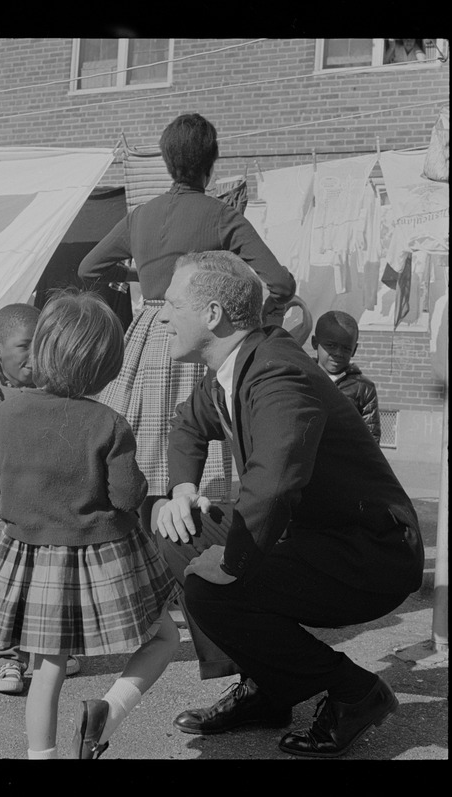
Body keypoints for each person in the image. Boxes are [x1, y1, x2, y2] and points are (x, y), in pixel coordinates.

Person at [155, 251, 424, 759]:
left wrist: (230, 563)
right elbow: (187, 424)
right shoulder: (236, 369)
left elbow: (273, 486)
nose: (162, 316)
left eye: (171, 304)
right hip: (317, 538)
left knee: (209, 587)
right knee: (177, 531)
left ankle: (355, 691)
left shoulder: (280, 375)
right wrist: (182, 491)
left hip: (370, 553)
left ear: (213, 314)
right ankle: (269, 688)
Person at [0, 291, 179, 759]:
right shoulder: (110, 423)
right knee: (166, 638)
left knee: (46, 672)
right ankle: (108, 711)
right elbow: (126, 496)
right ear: (107, 365)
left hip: (31, 558)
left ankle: (42, 758)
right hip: (103, 557)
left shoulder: (5, 415)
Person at [77, 113, 295, 532]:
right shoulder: (220, 216)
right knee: (197, 450)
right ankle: (190, 556)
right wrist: (264, 326)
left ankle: (143, 549)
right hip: (201, 336)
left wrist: (140, 275)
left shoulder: (140, 215)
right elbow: (280, 282)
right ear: (211, 162)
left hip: (146, 334)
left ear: (165, 160)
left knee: (137, 451)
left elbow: (89, 268)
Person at [0, 303, 83, 694]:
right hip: (5, 511)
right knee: (6, 586)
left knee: (53, 581)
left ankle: (50, 651)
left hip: (54, 509)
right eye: (25, 346)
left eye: (43, 344)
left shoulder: (60, 390)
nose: (35, 355)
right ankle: (7, 659)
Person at [312, 310, 381, 443]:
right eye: (331, 346)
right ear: (315, 343)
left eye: (346, 348)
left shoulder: (364, 389)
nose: (338, 353)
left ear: (354, 350)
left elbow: (371, 441)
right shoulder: (301, 378)